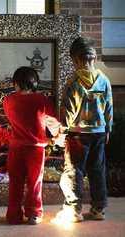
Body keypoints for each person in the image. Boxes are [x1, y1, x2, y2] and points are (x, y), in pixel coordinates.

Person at [54, 37, 113, 223]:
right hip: (99, 133)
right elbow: (109, 107)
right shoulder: (104, 80)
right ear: (93, 58)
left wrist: (61, 132)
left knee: (74, 171)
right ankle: (98, 209)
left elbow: (68, 112)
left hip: (77, 134)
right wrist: (108, 129)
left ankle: (73, 210)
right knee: (97, 170)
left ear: (75, 60)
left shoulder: (73, 82)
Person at [3, 66, 60, 225]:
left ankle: (13, 216)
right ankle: (34, 213)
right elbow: (52, 122)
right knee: (34, 182)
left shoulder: (8, 100)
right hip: (35, 149)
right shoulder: (42, 100)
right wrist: (55, 136)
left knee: (15, 182)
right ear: (35, 83)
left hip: (15, 148)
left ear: (16, 83)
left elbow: (11, 118)